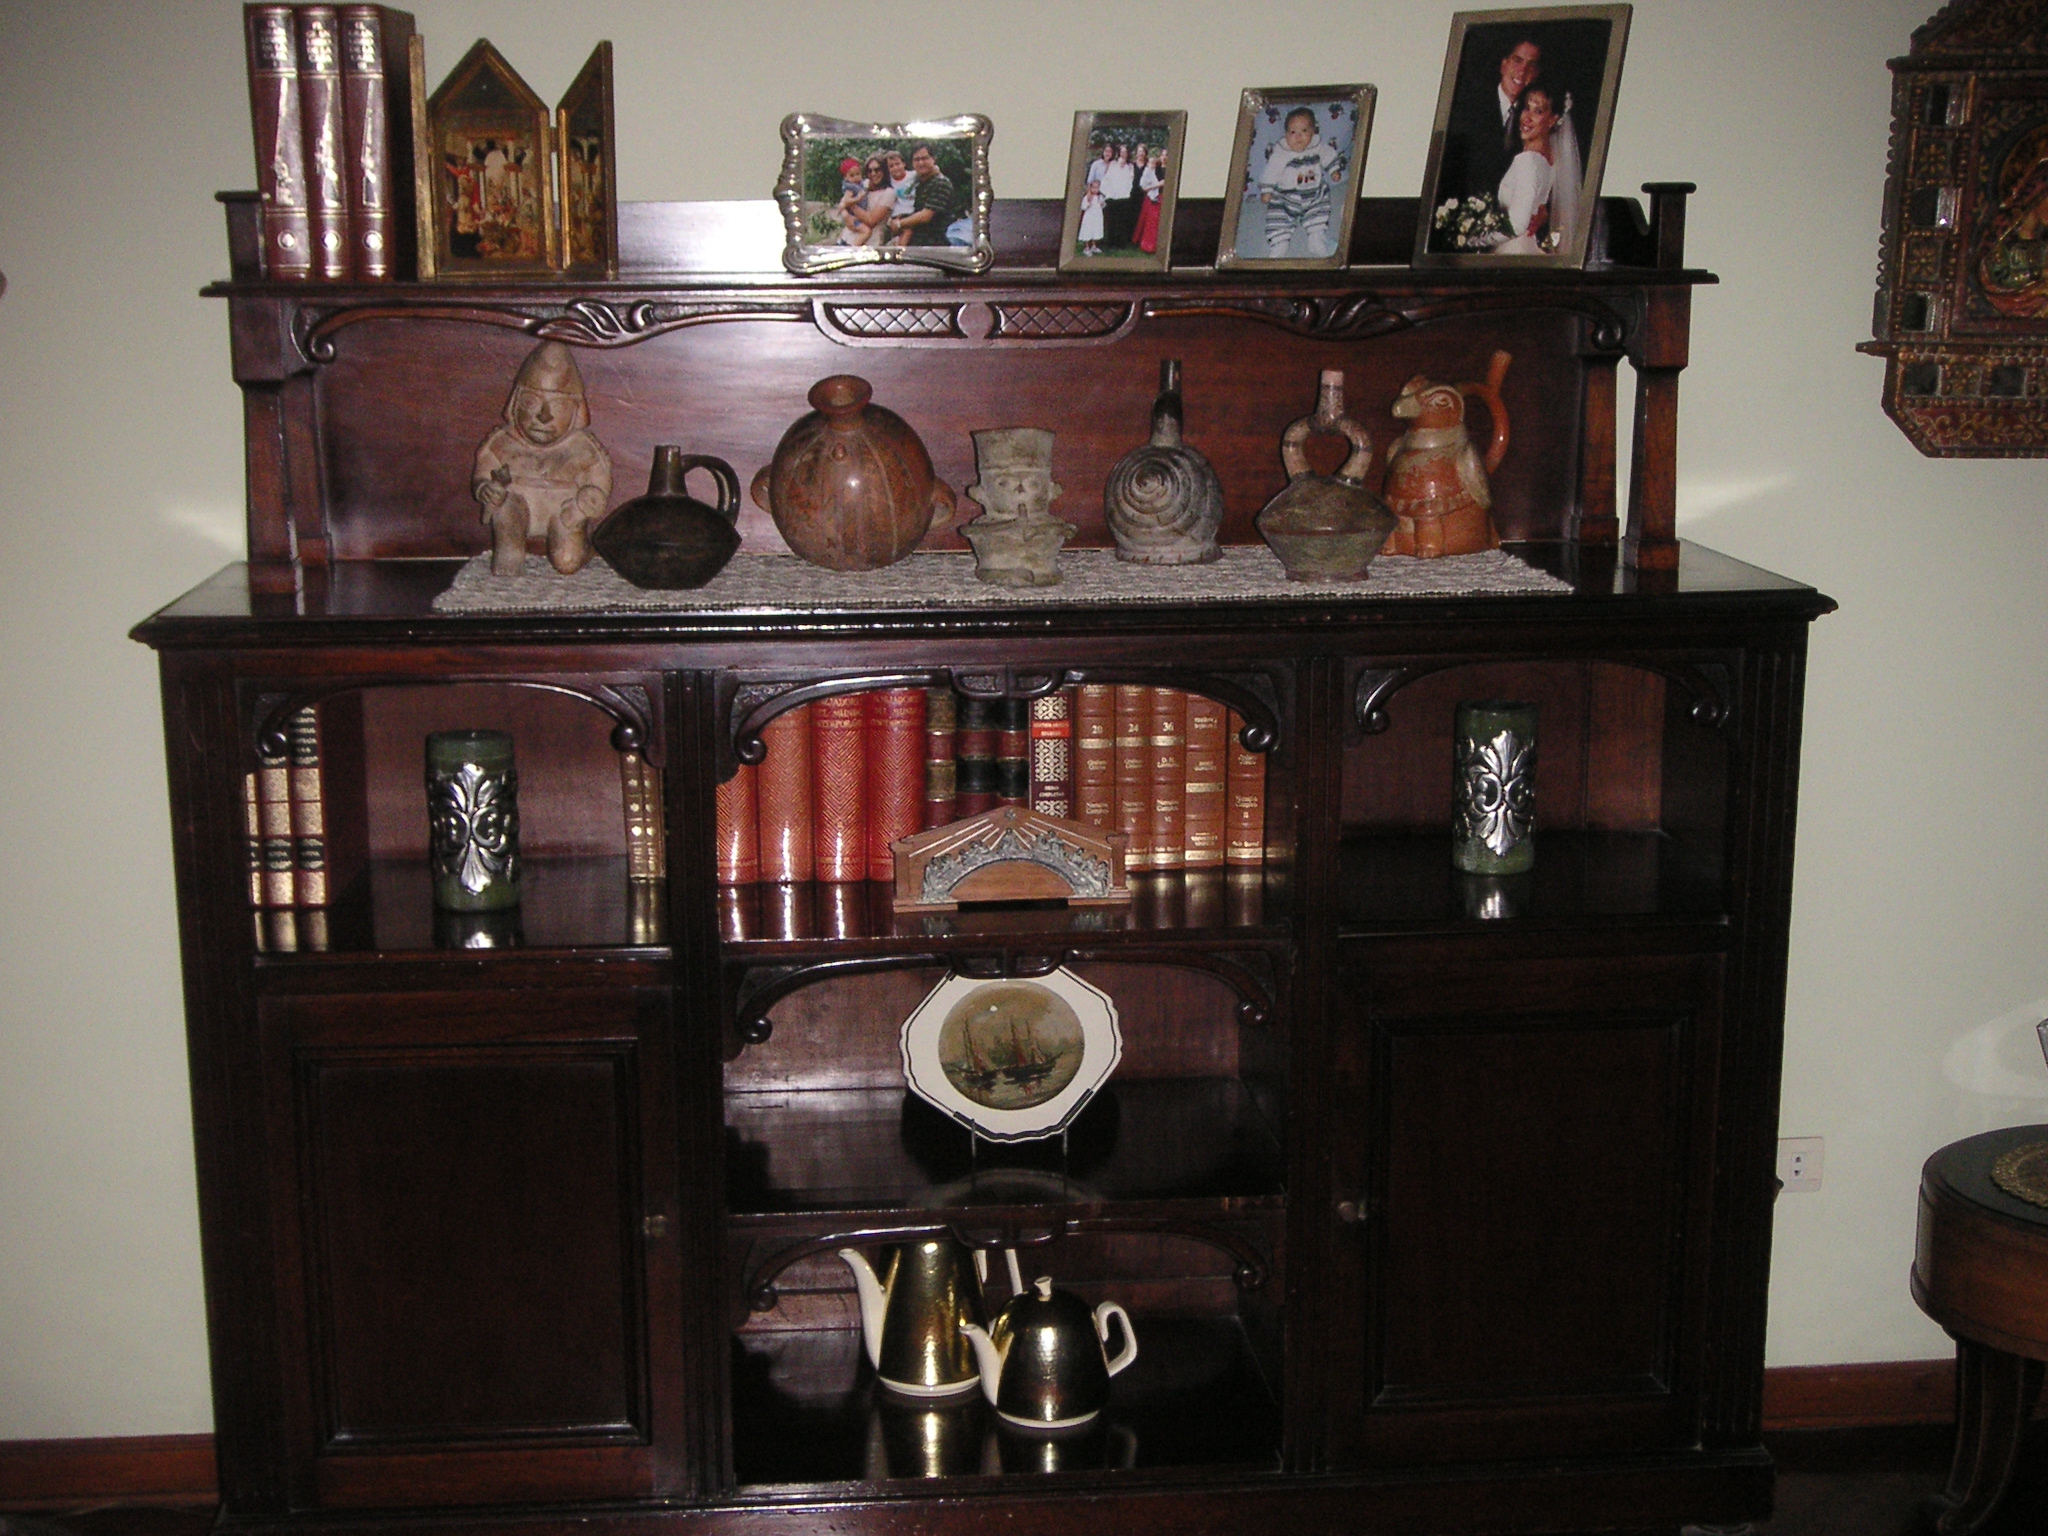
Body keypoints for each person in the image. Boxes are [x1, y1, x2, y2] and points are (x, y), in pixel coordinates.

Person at [1255, 106, 1347, 259]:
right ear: (1286, 134)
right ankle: (1279, 244)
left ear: (1313, 132)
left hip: (1314, 196)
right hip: (1286, 198)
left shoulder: (1317, 146)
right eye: (1293, 132)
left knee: (1319, 215)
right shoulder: (1281, 152)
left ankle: (1317, 240)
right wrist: (1267, 190)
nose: (1298, 137)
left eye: (1304, 131)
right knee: (1278, 220)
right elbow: (1271, 171)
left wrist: (1334, 170)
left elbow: (1328, 156)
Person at [1495, 87, 1560, 255]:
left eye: (1537, 111)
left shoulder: (1528, 161)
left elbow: (1516, 226)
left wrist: (1472, 239)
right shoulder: (1551, 158)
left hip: (1513, 251)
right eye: (1526, 108)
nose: (1527, 118)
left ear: (1552, 120)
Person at [891, 143, 959, 247]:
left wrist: (899, 224)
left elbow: (925, 216)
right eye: (916, 160)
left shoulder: (941, 183)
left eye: (924, 158)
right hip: (916, 242)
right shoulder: (919, 182)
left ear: (933, 159)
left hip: (934, 245)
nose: (921, 163)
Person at [837, 156, 894, 247]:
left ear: (884, 171)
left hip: (869, 244)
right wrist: (845, 215)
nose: (873, 174)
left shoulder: (888, 193)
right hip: (846, 238)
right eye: (869, 171)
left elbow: (871, 220)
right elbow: (842, 202)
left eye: (877, 170)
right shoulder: (863, 184)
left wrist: (851, 205)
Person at [1099, 142, 1138, 251]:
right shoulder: (1112, 164)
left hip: (1124, 197)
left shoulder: (1130, 166)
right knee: (1111, 221)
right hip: (1112, 197)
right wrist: (1107, 193)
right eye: (1122, 152)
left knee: (1121, 222)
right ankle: (1110, 243)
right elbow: (1107, 179)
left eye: (1126, 152)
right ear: (1119, 153)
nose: (1124, 154)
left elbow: (1131, 180)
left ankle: (1120, 243)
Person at [1134, 144, 1165, 255]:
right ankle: (1147, 245)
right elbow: (1144, 186)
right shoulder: (1148, 171)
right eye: (1163, 155)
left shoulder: (1160, 170)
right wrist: (1158, 185)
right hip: (1152, 198)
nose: (1152, 164)